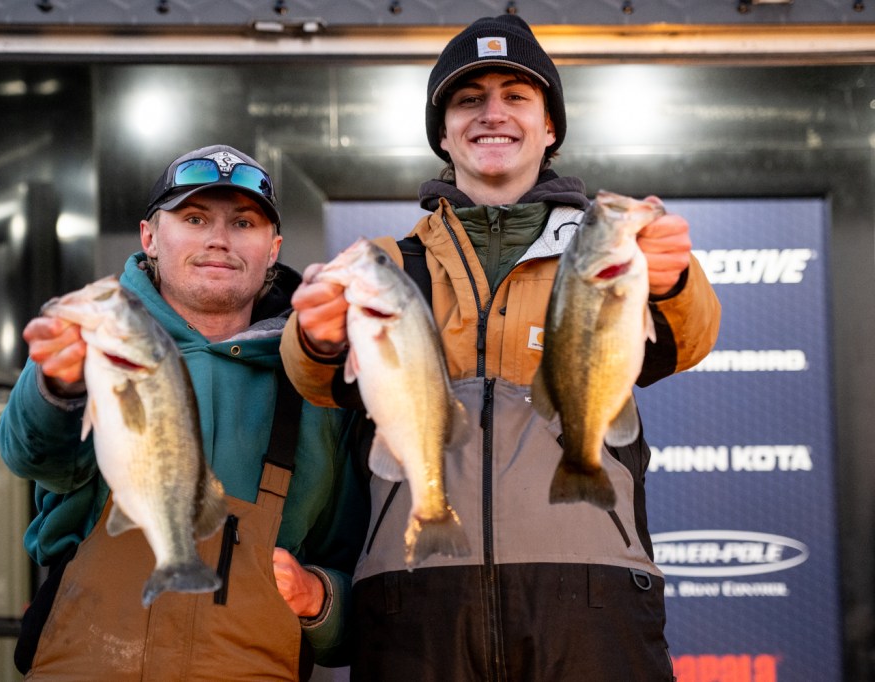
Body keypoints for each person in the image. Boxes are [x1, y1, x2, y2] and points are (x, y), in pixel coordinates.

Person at [280, 14, 721, 681]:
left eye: (516, 96)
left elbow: (691, 338)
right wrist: (314, 334)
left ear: (550, 127)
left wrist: (674, 279)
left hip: (593, 601)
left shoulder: (610, 248)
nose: (493, 113)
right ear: (443, 133)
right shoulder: (385, 264)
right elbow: (314, 378)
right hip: (413, 603)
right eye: (469, 100)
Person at [0, 144, 366, 680]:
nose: (219, 239)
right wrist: (57, 384)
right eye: (194, 219)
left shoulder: (317, 381)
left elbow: (356, 582)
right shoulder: (94, 336)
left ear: (273, 249)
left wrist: (320, 598)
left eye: (243, 223)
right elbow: (34, 456)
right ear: (149, 237)